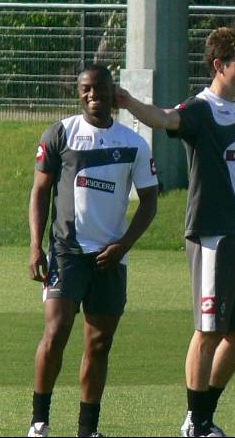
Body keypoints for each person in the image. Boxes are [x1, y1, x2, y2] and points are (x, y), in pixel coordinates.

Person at [115, 27, 235, 437]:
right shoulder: (200, 110)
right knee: (208, 331)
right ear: (218, 65)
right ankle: (197, 421)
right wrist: (129, 101)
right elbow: (163, 119)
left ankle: (202, 416)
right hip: (213, 234)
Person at [27, 63, 159, 437]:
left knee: (99, 345)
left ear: (112, 91)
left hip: (110, 258)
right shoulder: (61, 133)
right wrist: (35, 246)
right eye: (86, 88)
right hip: (66, 253)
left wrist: (123, 245)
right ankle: (39, 422)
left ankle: (87, 429)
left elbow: (150, 202)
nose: (92, 94)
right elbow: (40, 191)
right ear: (79, 92)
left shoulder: (134, 143)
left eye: (99, 87)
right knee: (56, 333)